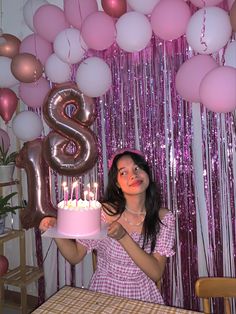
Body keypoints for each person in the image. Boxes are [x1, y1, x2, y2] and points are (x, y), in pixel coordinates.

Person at [39, 149, 175, 304]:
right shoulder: (102, 212)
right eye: (124, 172)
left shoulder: (163, 218)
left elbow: (156, 272)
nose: (133, 175)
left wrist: (123, 237)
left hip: (142, 295)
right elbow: (75, 255)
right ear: (117, 183)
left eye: (137, 168)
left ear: (147, 173)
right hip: (104, 293)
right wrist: (55, 230)